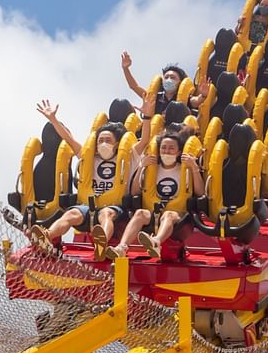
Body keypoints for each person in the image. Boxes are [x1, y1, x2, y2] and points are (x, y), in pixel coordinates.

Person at [29, 95, 153, 259]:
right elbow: (68, 139)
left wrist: (147, 117)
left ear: (117, 143)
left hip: (114, 207)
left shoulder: (128, 157)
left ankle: (101, 245)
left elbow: (145, 140)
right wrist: (53, 119)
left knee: (106, 214)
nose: (103, 143)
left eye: (108, 140)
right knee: (71, 214)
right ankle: (47, 236)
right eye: (100, 140)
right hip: (88, 206)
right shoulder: (90, 157)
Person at [123, 130, 206, 260]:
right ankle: (121, 248)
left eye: (171, 148)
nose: (167, 151)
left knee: (168, 214)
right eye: (163, 148)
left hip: (178, 215)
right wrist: (141, 167)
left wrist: (194, 167)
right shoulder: (152, 169)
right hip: (154, 212)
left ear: (178, 152)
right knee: (140, 213)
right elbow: (134, 192)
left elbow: (201, 192)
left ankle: (156, 242)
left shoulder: (185, 169)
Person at [121, 53, 206, 114]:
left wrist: (203, 95)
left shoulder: (184, 97)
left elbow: (196, 101)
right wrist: (126, 69)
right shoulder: (155, 97)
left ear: (180, 82)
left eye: (173, 77)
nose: (169, 79)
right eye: (166, 77)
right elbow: (134, 86)